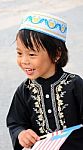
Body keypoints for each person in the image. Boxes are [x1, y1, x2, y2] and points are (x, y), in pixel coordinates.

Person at [6, 11, 83, 150]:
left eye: (31, 54)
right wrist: (21, 134)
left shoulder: (75, 84)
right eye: (19, 53)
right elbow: (15, 123)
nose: (24, 61)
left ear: (56, 54)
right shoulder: (24, 90)